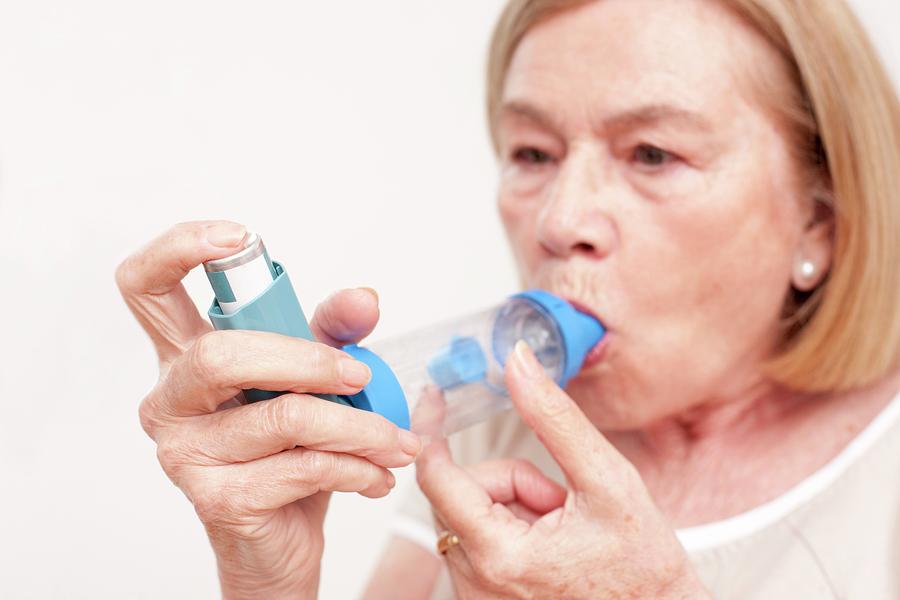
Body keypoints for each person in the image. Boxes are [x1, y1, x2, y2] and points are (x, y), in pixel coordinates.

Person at [117, 0, 900, 598]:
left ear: (819, 227)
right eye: (532, 152)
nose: (559, 222)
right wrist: (271, 578)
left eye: (654, 153)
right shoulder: (488, 435)